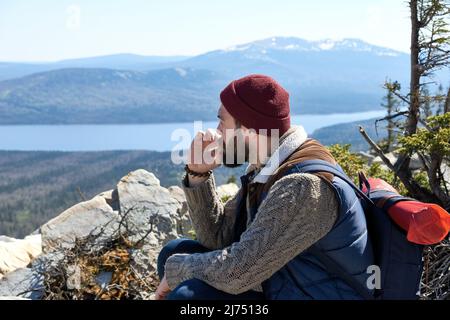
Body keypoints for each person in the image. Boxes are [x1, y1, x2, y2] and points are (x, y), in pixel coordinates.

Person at [155, 74, 374, 300]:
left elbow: (238, 272)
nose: (216, 132)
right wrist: (198, 174)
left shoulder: (302, 187)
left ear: (249, 129)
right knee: (176, 252)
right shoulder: (269, 165)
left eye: (222, 122)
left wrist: (177, 272)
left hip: (312, 293)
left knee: (189, 296)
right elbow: (218, 240)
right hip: (287, 285)